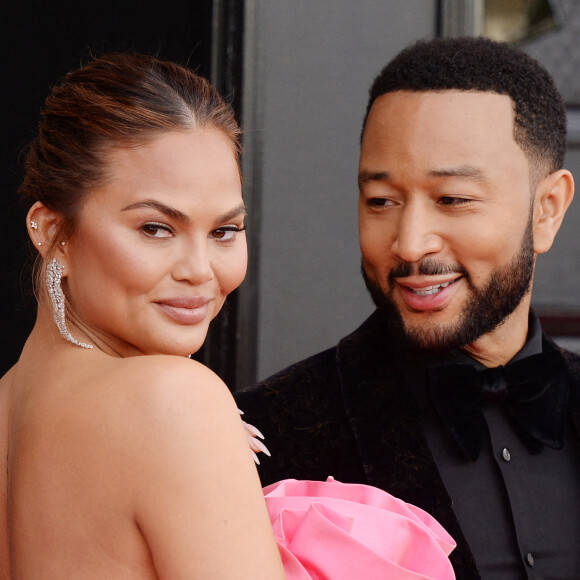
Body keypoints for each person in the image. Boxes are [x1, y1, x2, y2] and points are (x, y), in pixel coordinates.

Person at [0, 52, 456, 579]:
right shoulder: (172, 398)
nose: (200, 271)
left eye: (223, 232)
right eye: (155, 229)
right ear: (53, 231)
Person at [235, 36, 580, 579]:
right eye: (382, 202)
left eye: (452, 199)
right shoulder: (264, 435)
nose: (410, 243)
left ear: (548, 210)